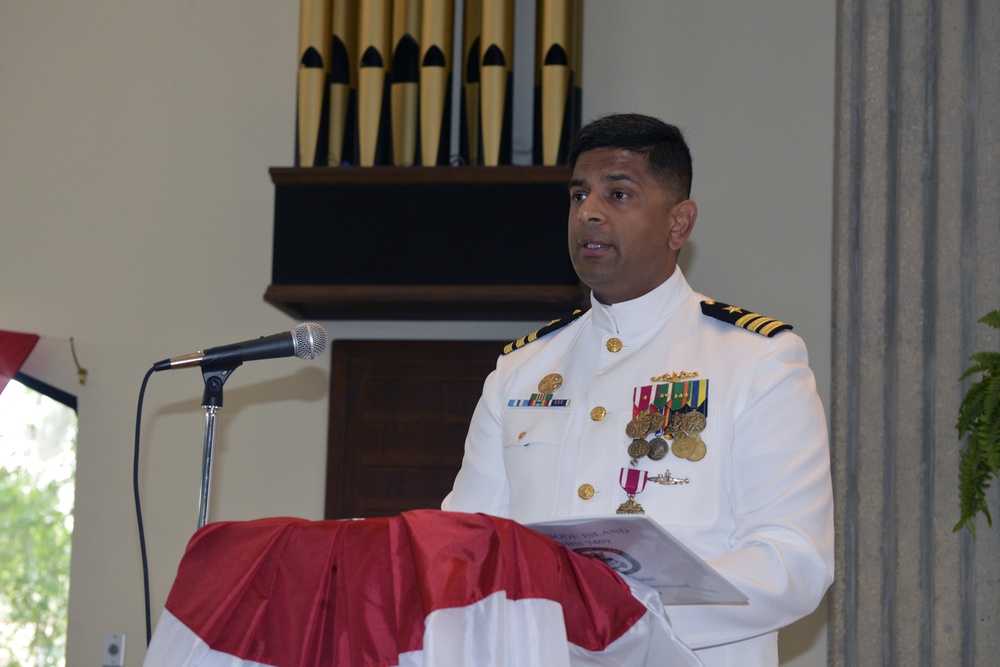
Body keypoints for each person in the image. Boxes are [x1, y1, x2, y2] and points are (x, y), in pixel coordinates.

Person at [442, 113, 834, 666]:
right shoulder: (521, 370)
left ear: (679, 223)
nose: (589, 213)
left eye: (618, 193)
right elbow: (469, 542)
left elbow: (794, 563)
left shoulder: (756, 359)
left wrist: (625, 612)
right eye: (578, 195)